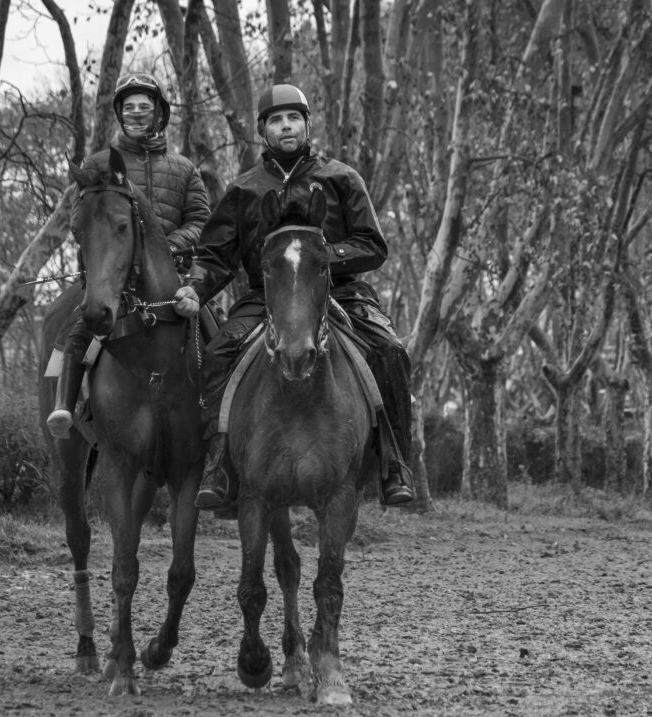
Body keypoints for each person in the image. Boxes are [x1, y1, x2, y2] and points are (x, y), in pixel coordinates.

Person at [171, 83, 414, 508]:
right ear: (263, 130)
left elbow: (373, 246)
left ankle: (395, 462)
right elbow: (215, 256)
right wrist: (195, 286)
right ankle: (220, 462)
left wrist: (318, 258)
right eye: (277, 120)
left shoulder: (341, 178)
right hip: (266, 298)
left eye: (293, 118)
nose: (286, 127)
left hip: (341, 292)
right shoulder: (244, 189)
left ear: (307, 124)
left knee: (391, 351)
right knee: (218, 353)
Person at [46, 72, 210, 438]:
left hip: (175, 275)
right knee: (76, 330)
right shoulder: (97, 164)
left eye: (144, 107)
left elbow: (201, 221)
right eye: (129, 107)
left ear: (158, 113)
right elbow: (80, 220)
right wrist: (111, 250)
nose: (136, 113)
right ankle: (65, 404)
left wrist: (165, 248)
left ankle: (217, 414)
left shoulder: (184, 168)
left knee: (215, 327)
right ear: (120, 114)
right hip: (114, 273)